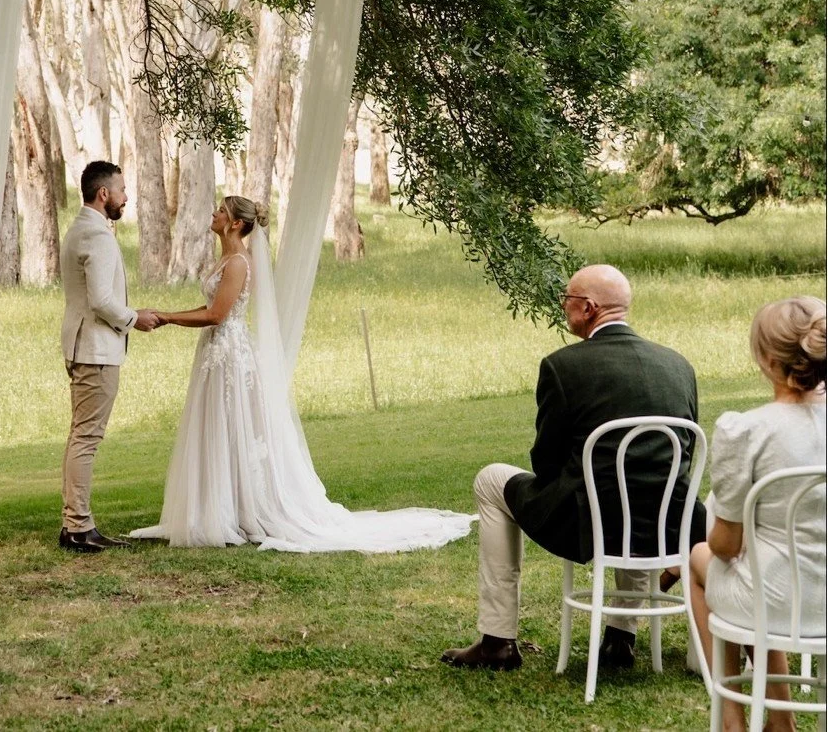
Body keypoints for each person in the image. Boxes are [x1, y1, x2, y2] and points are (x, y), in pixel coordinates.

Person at [131, 194, 474, 554]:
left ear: (235, 223)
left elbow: (218, 315)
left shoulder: (237, 263)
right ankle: (220, 507)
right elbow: (212, 308)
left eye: (220, 210)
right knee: (219, 427)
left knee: (232, 425)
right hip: (216, 351)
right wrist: (170, 314)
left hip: (230, 355)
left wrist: (167, 317)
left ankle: (241, 510)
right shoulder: (226, 259)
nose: (213, 213)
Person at [441, 263, 706, 673]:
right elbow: (681, 453)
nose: (563, 307)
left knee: (490, 478)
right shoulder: (679, 365)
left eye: (566, 300)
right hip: (672, 522)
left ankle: (497, 640)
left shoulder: (562, 367)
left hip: (587, 522)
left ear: (588, 307)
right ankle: (621, 636)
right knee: (634, 489)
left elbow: (545, 464)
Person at [688, 296, 826, 732]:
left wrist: (725, 535)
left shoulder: (747, 428)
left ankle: (733, 720)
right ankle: (780, 719)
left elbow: (726, 546)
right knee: (762, 580)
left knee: (700, 561)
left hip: (775, 599)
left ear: (767, 359)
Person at [58, 160, 161, 552]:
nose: (125, 196)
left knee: (79, 436)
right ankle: (79, 527)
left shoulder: (82, 228)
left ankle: (75, 523)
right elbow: (101, 299)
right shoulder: (96, 236)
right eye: (121, 189)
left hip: (84, 346)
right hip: (96, 350)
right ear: (104, 194)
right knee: (86, 437)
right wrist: (136, 319)